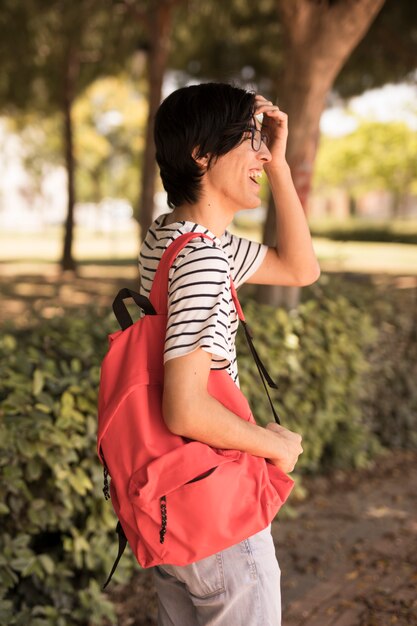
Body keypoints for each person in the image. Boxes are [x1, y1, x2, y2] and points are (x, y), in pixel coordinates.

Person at [138, 82, 320, 626]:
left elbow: (299, 269)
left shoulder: (170, 239)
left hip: (176, 505)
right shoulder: (203, 260)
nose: (262, 155)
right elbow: (186, 408)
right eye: (249, 141)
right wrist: (274, 447)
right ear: (201, 153)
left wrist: (281, 165)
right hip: (216, 512)